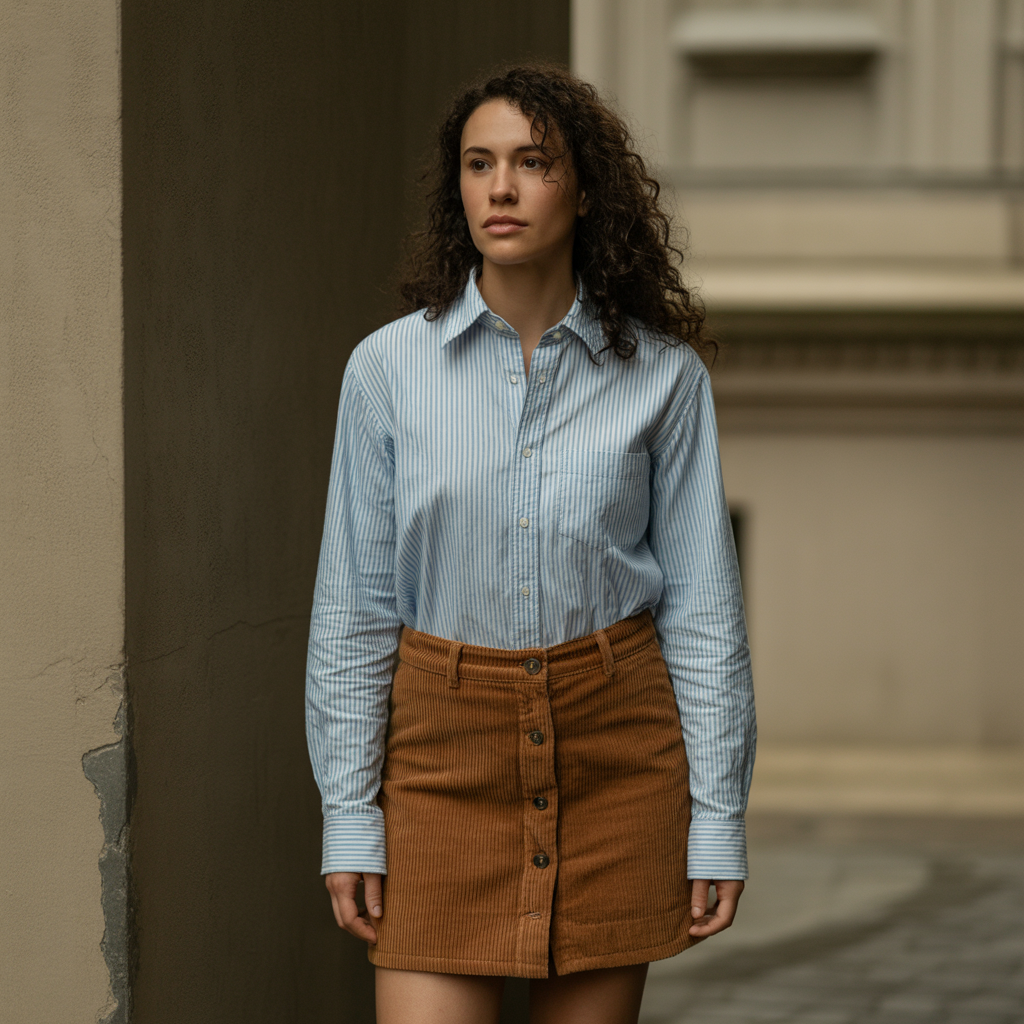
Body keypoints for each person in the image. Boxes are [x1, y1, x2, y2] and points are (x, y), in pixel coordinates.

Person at [305, 61, 756, 1024]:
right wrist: (350, 812)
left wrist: (717, 817)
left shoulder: (664, 378)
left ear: (585, 190)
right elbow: (354, 606)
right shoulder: (387, 369)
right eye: (480, 164)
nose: (501, 188)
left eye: (532, 162)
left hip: (615, 758)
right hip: (440, 765)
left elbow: (704, 611)